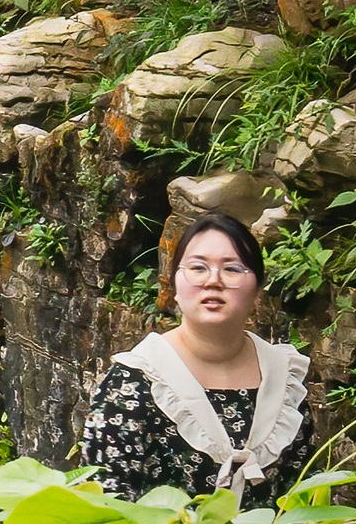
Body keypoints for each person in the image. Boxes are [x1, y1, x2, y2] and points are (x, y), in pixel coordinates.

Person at [79, 215, 317, 507]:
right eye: (197, 267)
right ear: (174, 288)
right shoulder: (135, 381)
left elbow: (302, 502)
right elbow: (108, 502)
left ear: (258, 291)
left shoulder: (283, 379)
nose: (213, 280)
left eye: (232, 269)